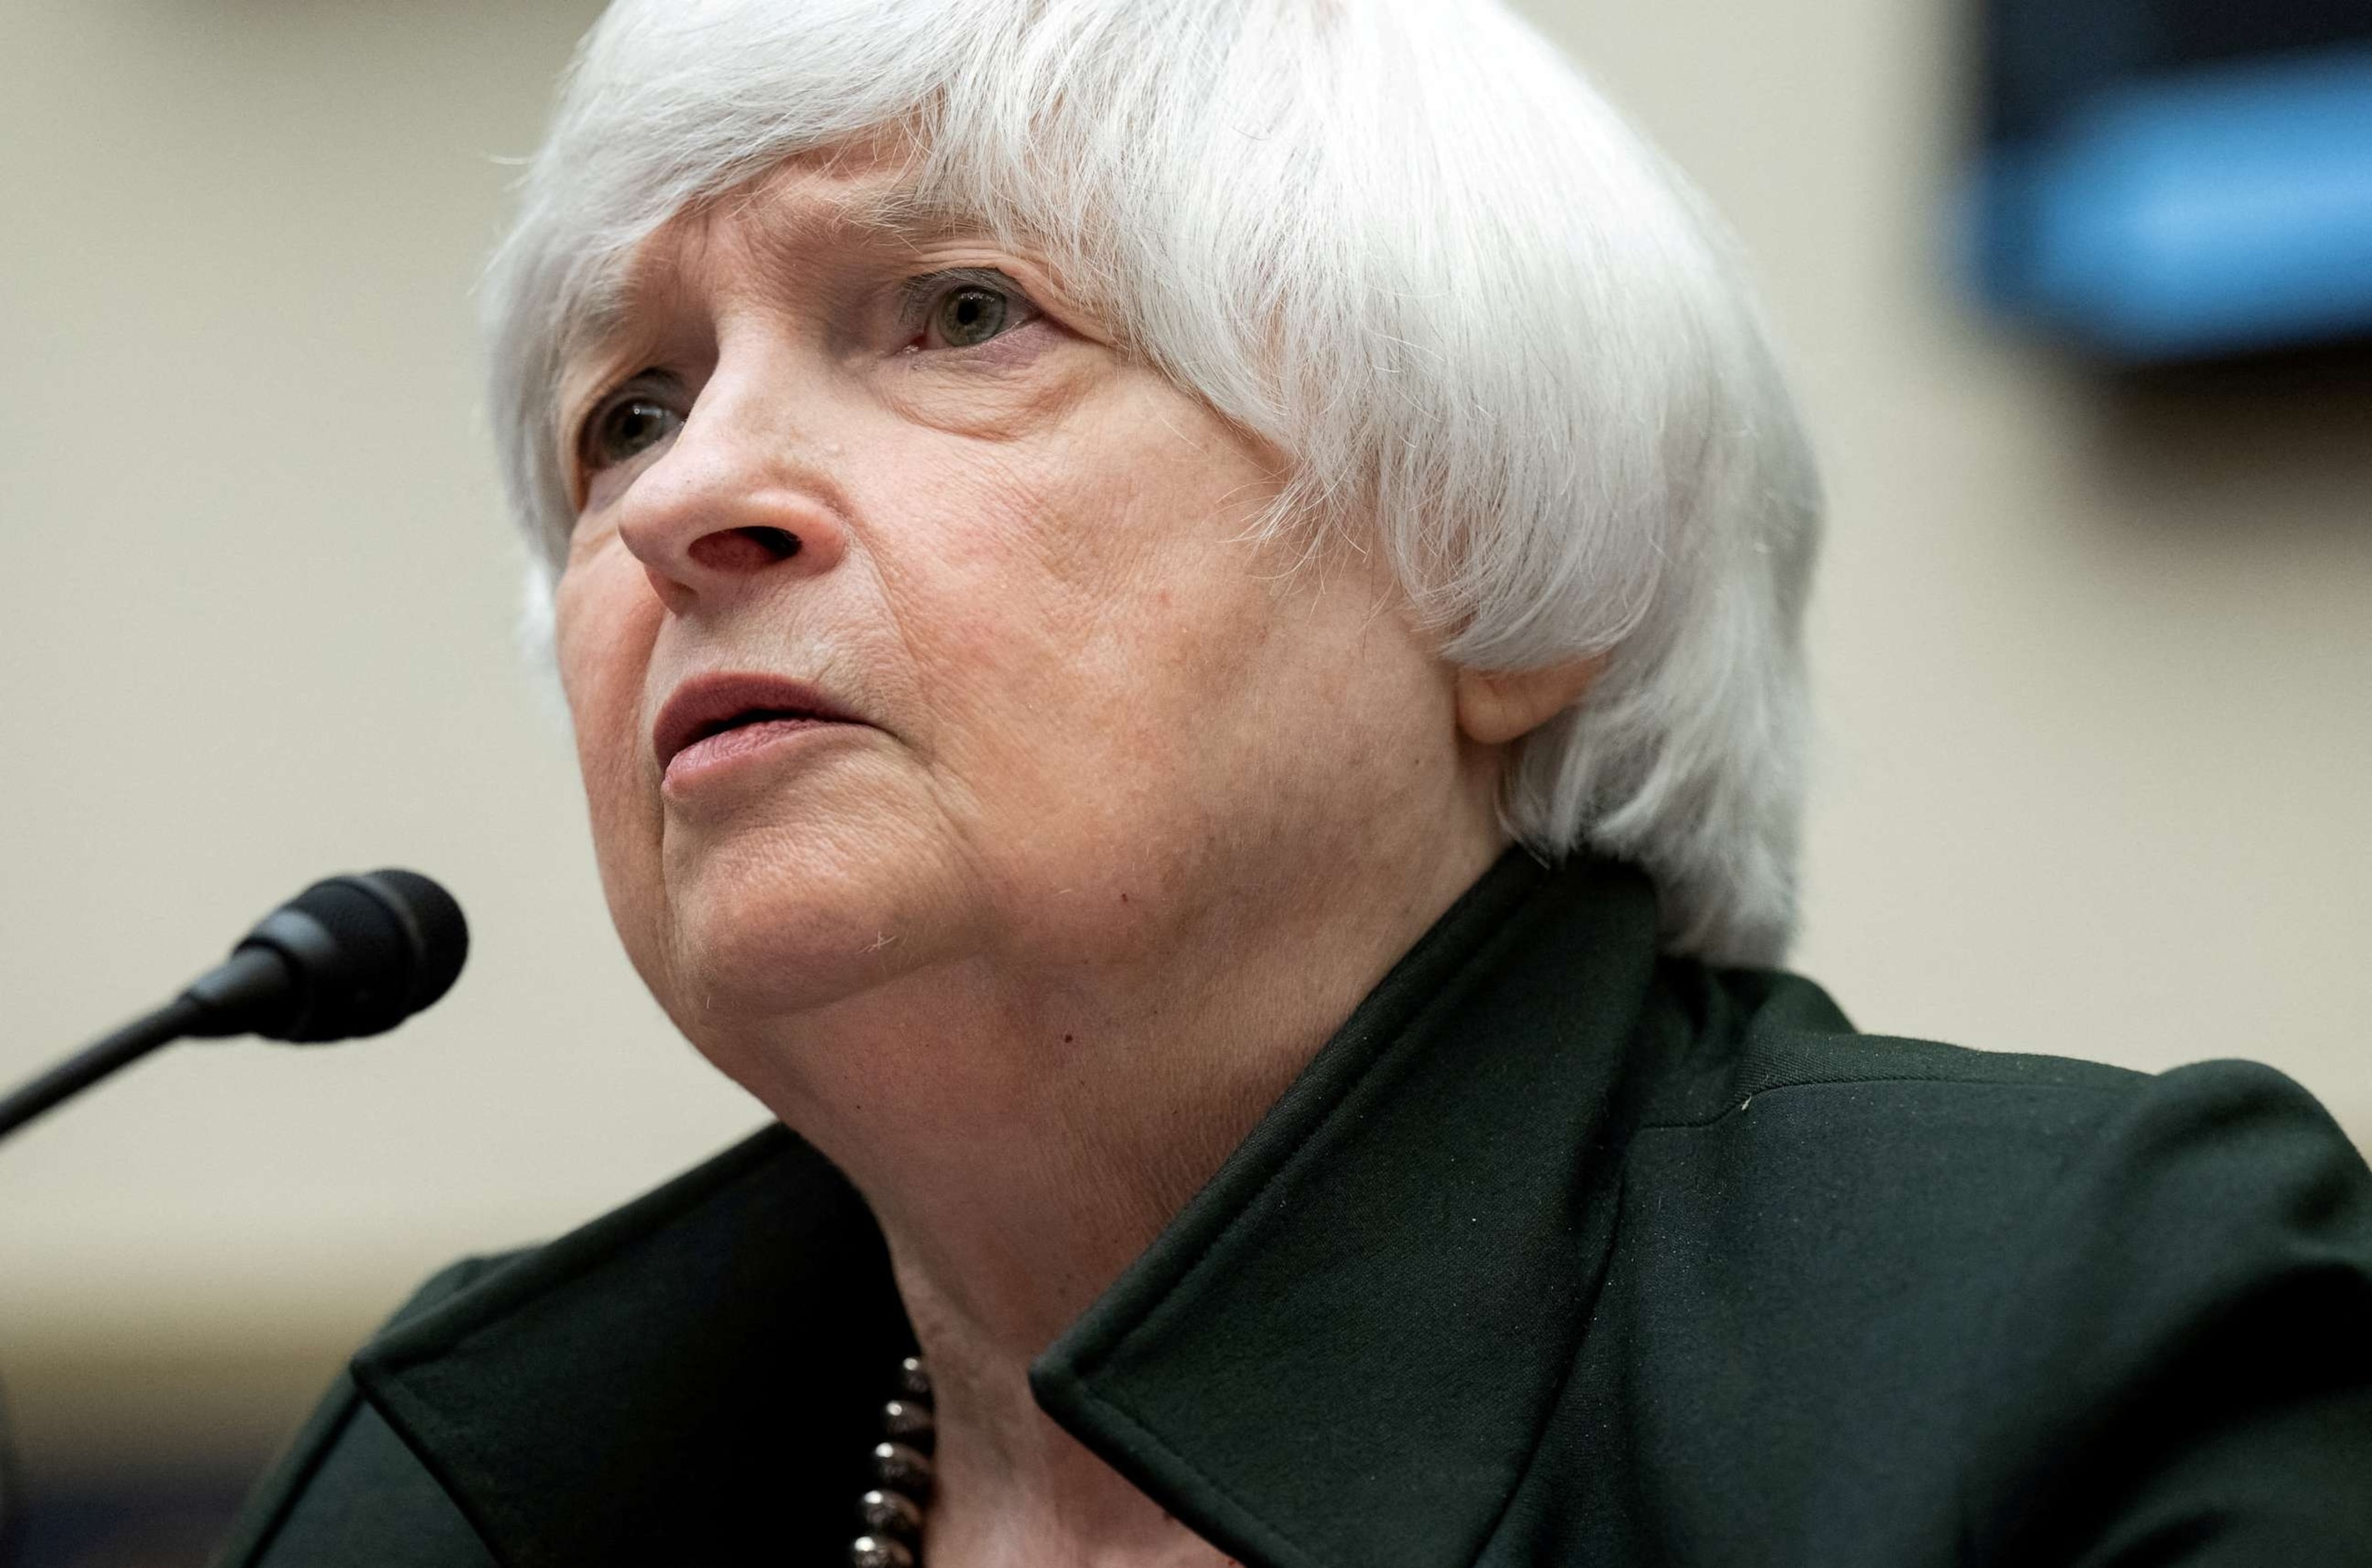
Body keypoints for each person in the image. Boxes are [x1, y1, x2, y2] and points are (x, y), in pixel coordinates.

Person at [215, 0, 2372, 1563]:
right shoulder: (460, 1499)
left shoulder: (2084, 1335)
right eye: (627, 415)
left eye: (960, 311)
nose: (697, 499)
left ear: (1496, 565)